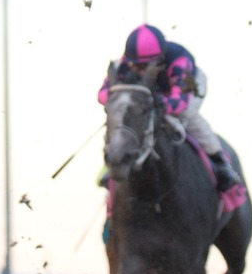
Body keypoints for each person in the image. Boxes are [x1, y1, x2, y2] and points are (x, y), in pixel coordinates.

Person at [98, 24, 242, 195]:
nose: (139, 70)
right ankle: (114, 160)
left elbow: (180, 101)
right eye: (136, 65)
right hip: (148, 94)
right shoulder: (123, 65)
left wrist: (156, 106)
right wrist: (121, 102)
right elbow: (102, 94)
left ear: (159, 60)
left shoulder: (179, 60)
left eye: (145, 67)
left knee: (186, 113)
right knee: (124, 117)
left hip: (189, 87)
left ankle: (220, 161)